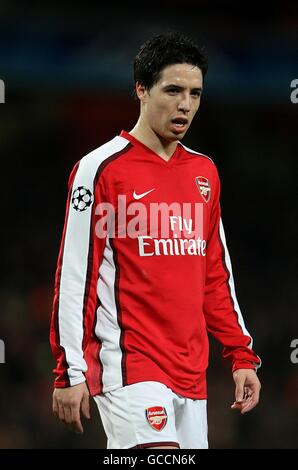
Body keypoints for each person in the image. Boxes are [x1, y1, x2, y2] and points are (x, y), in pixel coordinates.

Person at [50, 31, 261, 449]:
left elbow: (214, 276)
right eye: (173, 90)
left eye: (195, 93)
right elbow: (76, 276)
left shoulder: (204, 174)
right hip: (129, 365)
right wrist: (69, 372)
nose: (185, 104)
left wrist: (241, 355)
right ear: (141, 91)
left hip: (191, 373)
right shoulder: (100, 169)